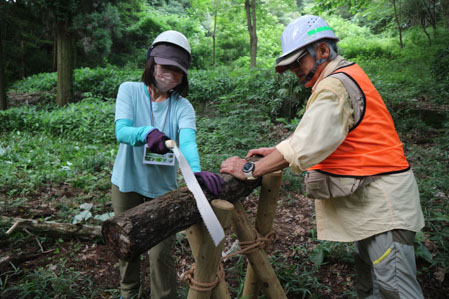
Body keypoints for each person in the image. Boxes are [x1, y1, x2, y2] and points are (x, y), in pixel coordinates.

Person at [220, 15, 425, 298]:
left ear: (323, 51)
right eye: (290, 66)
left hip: (383, 207)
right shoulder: (344, 76)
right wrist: (277, 150)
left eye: (297, 63)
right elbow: (325, 132)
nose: (294, 71)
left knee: (396, 291)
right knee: (375, 287)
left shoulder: (334, 86)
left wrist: (248, 169)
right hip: (372, 203)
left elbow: (306, 145)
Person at [111, 30, 223, 299]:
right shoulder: (130, 91)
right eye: (165, 68)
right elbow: (122, 131)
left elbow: (188, 143)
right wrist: (146, 134)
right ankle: (130, 294)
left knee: (161, 253)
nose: (170, 76)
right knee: (127, 248)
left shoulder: (183, 107)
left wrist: (194, 172)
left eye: (177, 71)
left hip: (162, 190)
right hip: (126, 184)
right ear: (152, 62)